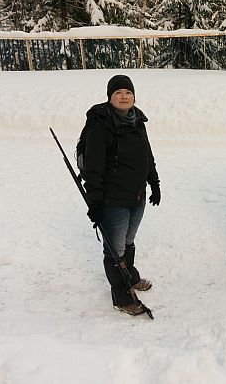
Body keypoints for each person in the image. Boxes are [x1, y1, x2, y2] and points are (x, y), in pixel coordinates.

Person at [79, 74, 161, 316]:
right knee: (114, 250)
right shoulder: (100, 124)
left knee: (127, 242)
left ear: (134, 96)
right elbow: (93, 168)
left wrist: (154, 182)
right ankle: (122, 296)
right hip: (112, 199)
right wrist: (94, 201)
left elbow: (147, 154)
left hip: (137, 195)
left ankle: (130, 276)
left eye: (128, 92)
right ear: (110, 97)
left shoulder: (138, 121)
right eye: (118, 93)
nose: (124, 96)